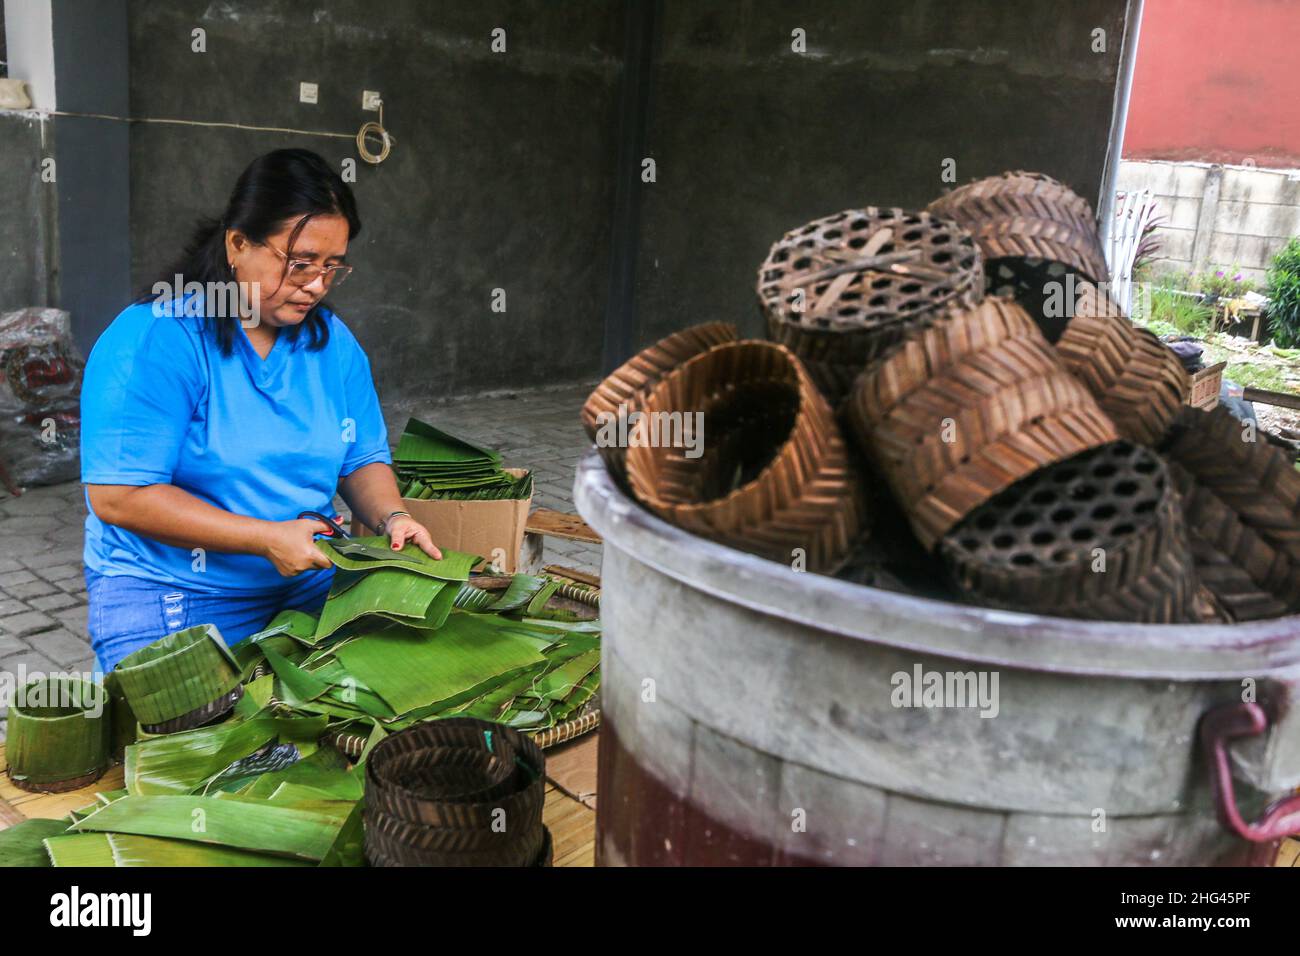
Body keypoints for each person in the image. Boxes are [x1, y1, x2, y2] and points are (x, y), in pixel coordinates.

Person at [80, 148, 439, 671]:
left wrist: (392, 516)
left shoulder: (332, 345)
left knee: (398, 688)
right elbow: (119, 496)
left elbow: (361, 459)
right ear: (237, 243)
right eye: (299, 264)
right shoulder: (160, 337)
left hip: (305, 574)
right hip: (175, 584)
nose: (316, 285)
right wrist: (265, 537)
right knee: (193, 733)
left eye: (332, 266)